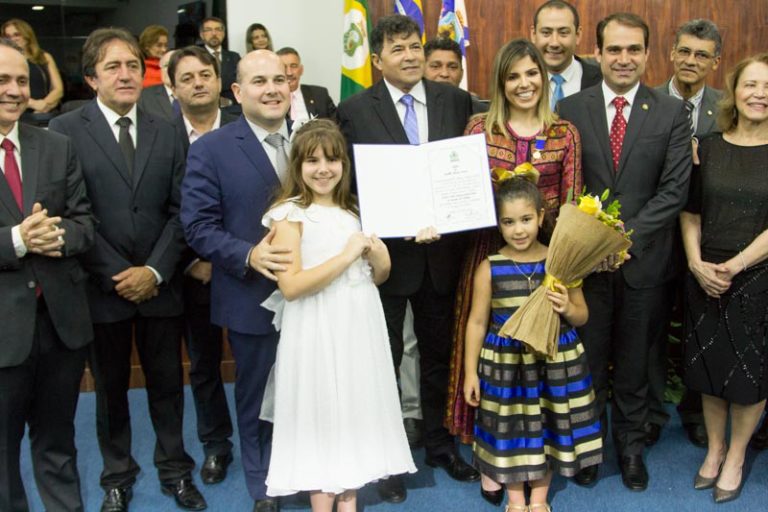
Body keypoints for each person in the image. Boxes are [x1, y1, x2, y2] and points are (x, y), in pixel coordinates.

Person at [48, 28, 206, 512]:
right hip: (102, 286)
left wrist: (155, 271)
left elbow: (183, 210)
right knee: (111, 390)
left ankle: (175, 469)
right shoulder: (65, 130)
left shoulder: (167, 126)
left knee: (166, 385)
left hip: (161, 285)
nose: (125, 74)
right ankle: (117, 473)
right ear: (92, 77)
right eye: (113, 66)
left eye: (133, 65)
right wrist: (119, 272)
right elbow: (71, 213)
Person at [336, 14, 477, 504]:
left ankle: (439, 443)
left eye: (414, 46)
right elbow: (346, 185)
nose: (411, 55)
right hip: (387, 261)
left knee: (439, 356)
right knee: (386, 359)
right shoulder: (353, 110)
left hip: (443, 255)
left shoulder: (455, 101)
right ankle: (387, 457)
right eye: (397, 49)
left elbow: (466, 173)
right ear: (377, 61)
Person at [558, 13, 692, 491]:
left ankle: (631, 450)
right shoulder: (571, 109)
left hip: (645, 264)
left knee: (636, 366)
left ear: (647, 54)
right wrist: (595, 245)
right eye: (614, 49)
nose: (623, 58)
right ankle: (589, 451)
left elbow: (673, 192)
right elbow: (567, 187)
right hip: (587, 268)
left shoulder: (671, 113)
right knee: (589, 365)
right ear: (597, 53)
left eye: (633, 49)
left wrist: (622, 239)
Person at [262, 119, 416, 511]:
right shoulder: (289, 214)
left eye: (332, 160)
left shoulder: (354, 211)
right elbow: (292, 286)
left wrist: (379, 258)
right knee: (322, 413)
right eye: (312, 160)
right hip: (316, 327)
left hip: (358, 325)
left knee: (353, 410)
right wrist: (346, 254)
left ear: (344, 164)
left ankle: (348, 500)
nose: (323, 169)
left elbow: (374, 277)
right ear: (297, 166)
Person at [445, 38, 582, 451]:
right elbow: (457, 193)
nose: (524, 83)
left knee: (542, 357)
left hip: (546, 262)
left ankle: (542, 444)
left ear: (544, 77)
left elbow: (574, 206)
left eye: (531, 73)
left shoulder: (565, 133)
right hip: (486, 255)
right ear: (500, 83)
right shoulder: (478, 128)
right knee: (485, 343)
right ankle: (485, 442)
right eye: (513, 76)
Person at [181, 49, 294, 512]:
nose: (272, 89)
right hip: (253, 295)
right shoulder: (212, 148)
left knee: (307, 389)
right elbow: (198, 226)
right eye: (260, 81)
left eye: (280, 80)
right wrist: (249, 254)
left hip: (316, 294)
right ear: (237, 92)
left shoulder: (312, 141)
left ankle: (304, 470)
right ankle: (262, 482)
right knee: (257, 394)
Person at [464, 174, 601, 511]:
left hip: (554, 363)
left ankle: (538, 499)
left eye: (526, 219)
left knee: (548, 426)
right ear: (499, 224)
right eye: (508, 222)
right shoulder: (489, 268)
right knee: (509, 430)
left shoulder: (560, 263)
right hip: (506, 368)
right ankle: (514, 498)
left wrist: (567, 306)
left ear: (541, 216)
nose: (519, 230)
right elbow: (477, 322)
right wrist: (470, 373)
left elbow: (582, 315)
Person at [0, 38, 95, 512]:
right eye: (3, 79)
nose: (15, 90)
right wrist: (17, 239)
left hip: (60, 325)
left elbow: (84, 223)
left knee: (58, 443)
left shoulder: (56, 145)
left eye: (21, 80)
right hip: (3, 333)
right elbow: (19, 236)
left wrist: (54, 236)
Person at [680, 52, 768, 504]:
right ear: (734, 91)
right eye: (752, 84)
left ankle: (735, 457)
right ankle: (713, 451)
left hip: (756, 278)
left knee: (750, 374)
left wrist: (735, 266)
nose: (760, 94)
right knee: (710, 368)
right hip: (704, 275)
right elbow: (690, 212)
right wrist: (696, 263)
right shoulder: (708, 146)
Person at [648, 18, 724, 449]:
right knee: (655, 330)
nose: (691, 61)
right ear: (671, 53)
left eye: (701, 55)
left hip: (708, 237)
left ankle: (695, 410)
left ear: (715, 62)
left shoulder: (728, 106)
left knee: (701, 329)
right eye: (684, 52)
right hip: (658, 238)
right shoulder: (648, 101)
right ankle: (654, 409)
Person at [167, 45, 239, 485]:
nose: (198, 82)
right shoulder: (160, 136)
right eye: (187, 77)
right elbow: (161, 208)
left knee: (260, 363)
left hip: (251, 268)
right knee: (205, 363)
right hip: (194, 273)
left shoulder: (243, 127)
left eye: (205, 74)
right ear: (172, 87)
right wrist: (193, 260)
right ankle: (217, 444)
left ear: (219, 81)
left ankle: (265, 437)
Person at [529, 0, 602, 110]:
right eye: (546, 32)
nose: (554, 43)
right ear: (533, 35)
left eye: (563, 33)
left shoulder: (602, 81)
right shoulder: (518, 83)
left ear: (577, 35)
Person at [2, 18, 64, 120]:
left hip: (44, 114)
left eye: (17, 34)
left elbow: (58, 89)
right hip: (16, 114)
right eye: (8, 36)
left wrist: (43, 105)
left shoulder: (44, 56)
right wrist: (32, 104)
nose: (12, 39)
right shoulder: (3, 60)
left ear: (27, 36)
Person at [424, 37, 488, 113]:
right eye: (435, 66)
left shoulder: (481, 113)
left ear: (461, 74)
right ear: (421, 71)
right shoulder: (411, 109)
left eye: (452, 67)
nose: (444, 74)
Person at [276, 47, 337, 120]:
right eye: (284, 67)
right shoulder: (271, 98)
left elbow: (335, 125)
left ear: (301, 70)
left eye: (293, 66)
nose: (289, 73)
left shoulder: (320, 94)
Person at [199, 17, 239, 102]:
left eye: (218, 29)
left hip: (233, 107)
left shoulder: (234, 57)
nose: (214, 33)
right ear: (202, 35)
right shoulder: (196, 57)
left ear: (223, 33)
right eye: (208, 30)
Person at [138, 50, 176, 122]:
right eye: (166, 66)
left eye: (175, 65)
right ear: (160, 69)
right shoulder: (143, 97)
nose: (170, 70)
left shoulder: (195, 93)